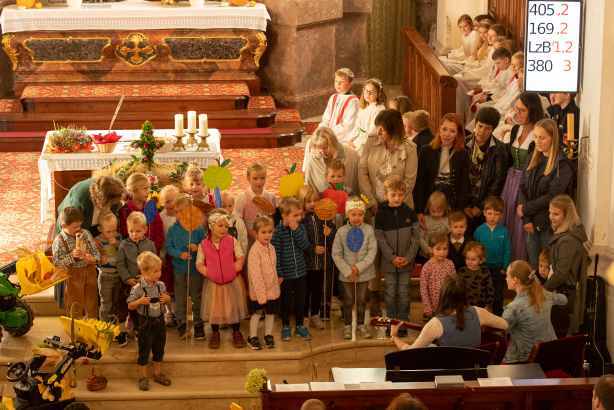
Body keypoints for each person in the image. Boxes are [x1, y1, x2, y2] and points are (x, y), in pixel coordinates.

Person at [393, 276, 508, 349]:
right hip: (474, 370)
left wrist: (395, 337)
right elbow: (505, 324)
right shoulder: (479, 312)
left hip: (448, 373)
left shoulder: (435, 324)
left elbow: (410, 351)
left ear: (443, 296)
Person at [518, 118, 574, 268]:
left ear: (553, 139)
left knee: (549, 266)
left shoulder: (562, 164)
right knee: (534, 265)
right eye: (535, 137)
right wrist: (526, 219)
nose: (537, 141)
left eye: (542, 138)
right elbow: (522, 187)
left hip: (548, 223)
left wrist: (526, 209)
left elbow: (552, 196)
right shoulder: (533, 157)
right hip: (530, 222)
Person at [501, 92, 545, 261]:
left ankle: (519, 263)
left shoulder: (538, 134)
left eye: (522, 110)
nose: (517, 114)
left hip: (526, 183)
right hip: (510, 181)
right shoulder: (515, 130)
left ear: (532, 111)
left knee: (520, 223)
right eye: (516, 109)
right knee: (507, 220)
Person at [197, 209, 248, 349]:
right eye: (220, 226)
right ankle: (215, 333)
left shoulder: (232, 241)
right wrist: (209, 272)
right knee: (215, 308)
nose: (224, 229)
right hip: (213, 283)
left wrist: (235, 268)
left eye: (226, 226)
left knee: (233, 306)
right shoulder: (204, 244)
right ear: (211, 226)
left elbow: (240, 256)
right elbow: (199, 263)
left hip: (232, 281)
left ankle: (236, 331)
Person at [375, 178, 420, 330]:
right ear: (386, 194)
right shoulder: (381, 214)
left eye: (400, 195)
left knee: (404, 292)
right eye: (393, 195)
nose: (397, 198)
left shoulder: (410, 213)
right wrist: (392, 257)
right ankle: (392, 323)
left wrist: (408, 257)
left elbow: (416, 238)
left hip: (406, 263)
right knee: (390, 293)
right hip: (389, 263)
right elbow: (380, 239)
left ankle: (403, 323)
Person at [503, 260, 567, 363]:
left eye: (507, 276)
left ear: (515, 280)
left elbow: (502, 330)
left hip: (524, 361)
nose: (505, 279)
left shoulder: (514, 308)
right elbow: (564, 300)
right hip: (551, 354)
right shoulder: (545, 295)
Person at [332, 197, 378, 339]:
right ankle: (347, 325)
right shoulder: (341, 232)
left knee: (362, 300)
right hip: (346, 275)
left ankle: (360, 324)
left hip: (364, 273)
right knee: (348, 300)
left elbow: (372, 251)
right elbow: (336, 254)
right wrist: (347, 270)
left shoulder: (369, 230)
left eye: (360, 214)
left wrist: (358, 267)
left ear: (364, 215)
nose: (357, 218)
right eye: (353, 214)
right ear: (347, 214)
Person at [544, 194, 590, 336]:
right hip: (562, 292)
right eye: (550, 213)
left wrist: (542, 291)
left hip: (564, 295)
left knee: (558, 338)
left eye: (556, 214)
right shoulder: (566, 234)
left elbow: (561, 274)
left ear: (567, 216)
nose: (551, 217)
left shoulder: (568, 240)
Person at [127, 251, 172, 391]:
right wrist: (139, 301)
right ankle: (142, 377)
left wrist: (167, 299)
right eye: (155, 271)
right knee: (144, 350)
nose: (159, 274)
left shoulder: (161, 285)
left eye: (159, 270)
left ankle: (157, 374)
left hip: (159, 321)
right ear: (143, 272)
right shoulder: (138, 288)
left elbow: (167, 298)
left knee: (159, 348)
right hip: (145, 323)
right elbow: (130, 305)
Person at [359, 109, 418, 212]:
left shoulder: (410, 148)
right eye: (377, 128)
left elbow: (409, 182)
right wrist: (370, 203)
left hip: (400, 207)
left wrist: (393, 203)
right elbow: (362, 173)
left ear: (393, 131)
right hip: (373, 207)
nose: (378, 132)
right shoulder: (371, 141)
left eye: (382, 129)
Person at [165, 197, 206, 340]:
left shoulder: (198, 228)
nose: (178, 215)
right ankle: (182, 323)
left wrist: (197, 247)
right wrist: (179, 254)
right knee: (180, 297)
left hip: (195, 269)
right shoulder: (172, 230)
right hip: (179, 270)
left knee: (196, 297)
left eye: (182, 212)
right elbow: (169, 247)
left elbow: (205, 245)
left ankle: (198, 323)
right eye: (176, 212)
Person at [272, 197, 312, 342]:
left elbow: (305, 245)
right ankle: (286, 326)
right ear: (284, 215)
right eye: (295, 215)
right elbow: (276, 255)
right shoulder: (277, 232)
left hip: (301, 272)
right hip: (286, 275)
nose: (299, 218)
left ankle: (300, 325)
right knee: (286, 302)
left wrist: (295, 230)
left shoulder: (300, 228)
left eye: (300, 215)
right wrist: (279, 273)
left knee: (301, 301)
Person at [464, 107, 509, 234]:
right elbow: (460, 177)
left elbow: (497, 182)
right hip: (464, 204)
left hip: (484, 206)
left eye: (487, 128)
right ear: (475, 124)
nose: (482, 131)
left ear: (493, 129)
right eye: (480, 126)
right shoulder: (464, 144)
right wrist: (464, 205)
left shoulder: (500, 150)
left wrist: (481, 207)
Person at [414, 113, 470, 214]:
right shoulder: (426, 151)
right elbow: (420, 183)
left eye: (452, 131)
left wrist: (460, 210)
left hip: (452, 207)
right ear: (439, 129)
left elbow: (464, 185)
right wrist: (419, 210)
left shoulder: (463, 154)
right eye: (444, 129)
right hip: (430, 205)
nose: (447, 134)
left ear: (458, 134)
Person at [52, 207, 101, 317]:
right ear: (64, 225)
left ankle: (92, 324)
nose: (79, 229)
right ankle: (75, 325)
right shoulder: (59, 241)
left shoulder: (86, 234)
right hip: (73, 277)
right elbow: (57, 263)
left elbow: (97, 255)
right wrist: (71, 256)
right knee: (75, 306)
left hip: (90, 273)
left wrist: (91, 258)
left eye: (80, 226)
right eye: (75, 227)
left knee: (92, 304)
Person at [117, 212, 157, 342]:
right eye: (131, 231)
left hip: (147, 283)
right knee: (133, 306)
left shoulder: (150, 245)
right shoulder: (124, 245)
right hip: (131, 283)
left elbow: (154, 263)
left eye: (138, 231)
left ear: (145, 229)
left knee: (146, 306)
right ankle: (135, 327)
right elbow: (120, 264)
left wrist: (146, 277)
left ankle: (145, 328)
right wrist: (127, 278)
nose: (134, 234)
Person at [298, 186, 335, 328]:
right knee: (305, 291)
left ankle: (315, 314)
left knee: (317, 290)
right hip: (306, 264)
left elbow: (333, 236)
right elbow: (299, 240)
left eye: (315, 201)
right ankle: (304, 315)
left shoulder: (324, 217)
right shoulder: (300, 219)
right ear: (302, 203)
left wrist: (329, 233)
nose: (312, 204)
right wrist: (313, 249)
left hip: (321, 263)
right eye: (308, 201)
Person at [247, 216, 281, 350]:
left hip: (272, 289)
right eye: (263, 232)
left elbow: (273, 267)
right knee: (257, 314)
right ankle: (252, 337)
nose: (267, 235)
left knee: (270, 313)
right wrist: (261, 295)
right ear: (256, 233)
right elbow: (255, 275)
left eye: (270, 232)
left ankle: (268, 335)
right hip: (258, 291)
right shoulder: (254, 251)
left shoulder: (271, 248)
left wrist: (276, 281)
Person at [473, 196, 511, 315]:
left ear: (501, 215)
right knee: (482, 293)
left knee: (498, 295)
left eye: (496, 214)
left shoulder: (504, 231)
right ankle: (480, 317)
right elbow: (474, 249)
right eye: (489, 213)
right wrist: (477, 264)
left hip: (498, 269)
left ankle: (498, 317)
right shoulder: (479, 230)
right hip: (482, 267)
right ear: (484, 213)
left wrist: (505, 267)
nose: (492, 217)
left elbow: (507, 250)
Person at [55, 175, 125, 237]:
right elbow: (71, 227)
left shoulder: (114, 192)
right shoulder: (80, 199)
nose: (110, 207)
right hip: (72, 230)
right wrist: (89, 239)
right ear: (98, 199)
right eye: (109, 204)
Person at [303, 127, 360, 194]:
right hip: (322, 198)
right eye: (318, 148)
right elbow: (308, 185)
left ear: (333, 143)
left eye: (325, 148)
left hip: (348, 196)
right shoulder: (313, 159)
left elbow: (354, 185)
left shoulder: (351, 155)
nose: (322, 152)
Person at [118, 173, 164, 254]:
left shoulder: (150, 206)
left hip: (152, 253)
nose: (148, 191)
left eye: (149, 188)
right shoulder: (125, 210)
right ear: (133, 190)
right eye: (145, 188)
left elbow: (159, 229)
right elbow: (124, 234)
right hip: (133, 255)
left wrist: (154, 248)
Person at [96, 213, 125, 337]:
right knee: (106, 303)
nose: (112, 234)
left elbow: (124, 250)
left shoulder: (118, 237)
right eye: (108, 232)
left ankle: (115, 327)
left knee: (117, 302)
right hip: (105, 276)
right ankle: (104, 328)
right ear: (100, 229)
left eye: (114, 230)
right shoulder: (97, 241)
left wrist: (116, 244)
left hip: (118, 275)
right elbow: (96, 258)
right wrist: (100, 259)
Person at [234, 163, 277, 243]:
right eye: (255, 178)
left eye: (262, 178)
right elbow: (237, 219)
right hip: (249, 239)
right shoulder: (242, 198)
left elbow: (274, 217)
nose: (259, 182)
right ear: (248, 178)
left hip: (267, 238)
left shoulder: (270, 197)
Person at [419, 233, 456, 319]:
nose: (442, 252)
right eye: (438, 249)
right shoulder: (427, 267)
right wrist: (427, 307)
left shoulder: (450, 264)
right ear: (431, 249)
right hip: (433, 305)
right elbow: (423, 289)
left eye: (445, 249)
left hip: (448, 304)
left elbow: (454, 284)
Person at [318, 67, 359, 144]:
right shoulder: (333, 97)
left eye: (342, 82)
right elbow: (326, 118)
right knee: (312, 142)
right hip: (329, 133)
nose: (338, 84)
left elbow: (348, 125)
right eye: (336, 81)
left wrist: (330, 133)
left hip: (343, 137)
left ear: (350, 84)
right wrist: (322, 129)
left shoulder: (353, 101)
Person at [158, 185, 180, 320]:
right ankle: (168, 311)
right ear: (162, 203)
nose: (170, 204)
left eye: (173, 201)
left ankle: (177, 311)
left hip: (179, 255)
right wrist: (161, 254)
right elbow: (161, 238)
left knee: (178, 284)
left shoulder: (181, 215)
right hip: (167, 255)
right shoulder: (161, 217)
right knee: (167, 284)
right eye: (167, 201)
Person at [349, 78, 386, 154]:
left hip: (368, 142)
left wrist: (358, 144)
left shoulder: (379, 109)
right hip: (359, 138)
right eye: (366, 91)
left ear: (378, 93)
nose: (368, 94)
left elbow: (372, 132)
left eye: (371, 92)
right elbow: (357, 126)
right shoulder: (364, 107)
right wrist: (351, 139)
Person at [457, 241, 494, 309]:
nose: (469, 262)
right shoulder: (461, 271)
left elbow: (490, 290)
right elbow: (458, 289)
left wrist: (488, 305)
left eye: (473, 259)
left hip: (481, 306)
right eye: (467, 258)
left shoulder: (485, 272)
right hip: (465, 306)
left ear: (481, 260)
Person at [418, 191, 450, 259]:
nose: (436, 214)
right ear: (428, 208)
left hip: (442, 254)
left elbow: (449, 236)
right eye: (433, 211)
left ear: (444, 209)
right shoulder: (424, 220)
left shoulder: (447, 221)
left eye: (439, 211)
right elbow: (420, 238)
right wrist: (427, 249)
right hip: (426, 255)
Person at [321, 159, 351, 227]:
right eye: (332, 176)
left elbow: (358, 199)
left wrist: (367, 201)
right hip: (329, 225)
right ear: (326, 177)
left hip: (345, 224)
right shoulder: (323, 193)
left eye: (339, 176)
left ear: (344, 177)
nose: (336, 179)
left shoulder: (348, 191)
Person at [222, 192, 249, 257]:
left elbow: (243, 240)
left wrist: (243, 255)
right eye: (224, 206)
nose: (227, 209)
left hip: (237, 255)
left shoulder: (238, 221)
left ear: (233, 205)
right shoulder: (216, 221)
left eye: (230, 206)